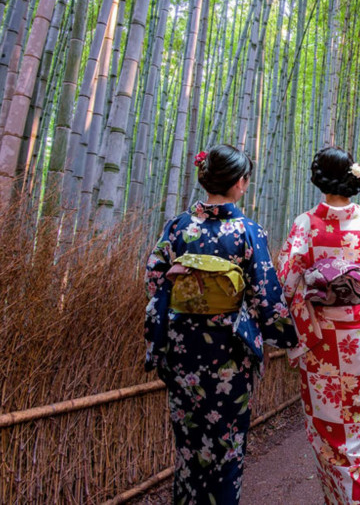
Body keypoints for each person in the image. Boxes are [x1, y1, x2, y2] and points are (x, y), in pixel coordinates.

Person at [144, 144, 297, 505]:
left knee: (188, 446)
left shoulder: (178, 227)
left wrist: (177, 279)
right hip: (228, 355)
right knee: (227, 447)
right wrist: (288, 337)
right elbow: (266, 298)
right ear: (239, 183)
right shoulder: (246, 231)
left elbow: (154, 279)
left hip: (182, 351)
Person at [277, 146, 360, 505]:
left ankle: (336, 499)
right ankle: (357, 498)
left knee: (326, 431)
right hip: (358, 342)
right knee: (357, 430)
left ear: (319, 178)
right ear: (351, 178)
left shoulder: (305, 224)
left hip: (320, 343)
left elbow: (286, 279)